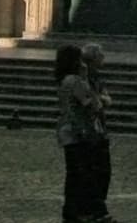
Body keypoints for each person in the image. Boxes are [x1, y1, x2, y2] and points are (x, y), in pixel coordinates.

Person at [54, 44, 103, 223]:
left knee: (73, 173)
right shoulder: (75, 81)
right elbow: (92, 104)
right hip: (78, 132)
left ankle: (71, 211)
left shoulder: (63, 80)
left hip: (66, 131)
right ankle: (77, 211)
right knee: (79, 173)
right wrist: (86, 80)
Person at [81, 43, 115, 223]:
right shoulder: (83, 78)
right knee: (96, 172)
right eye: (101, 55)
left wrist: (101, 99)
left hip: (99, 130)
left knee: (103, 172)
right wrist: (101, 99)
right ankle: (96, 211)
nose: (104, 58)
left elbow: (105, 99)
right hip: (89, 132)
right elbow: (95, 101)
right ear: (93, 59)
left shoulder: (96, 77)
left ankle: (96, 209)